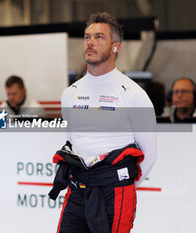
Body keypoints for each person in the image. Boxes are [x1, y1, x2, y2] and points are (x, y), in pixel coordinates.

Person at [50, 12, 157, 233]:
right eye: (87, 36)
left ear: (115, 47)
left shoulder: (133, 94)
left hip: (115, 192)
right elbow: (72, 141)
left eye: (99, 37)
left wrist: (121, 184)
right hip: (78, 188)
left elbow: (150, 153)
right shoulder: (70, 93)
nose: (90, 42)